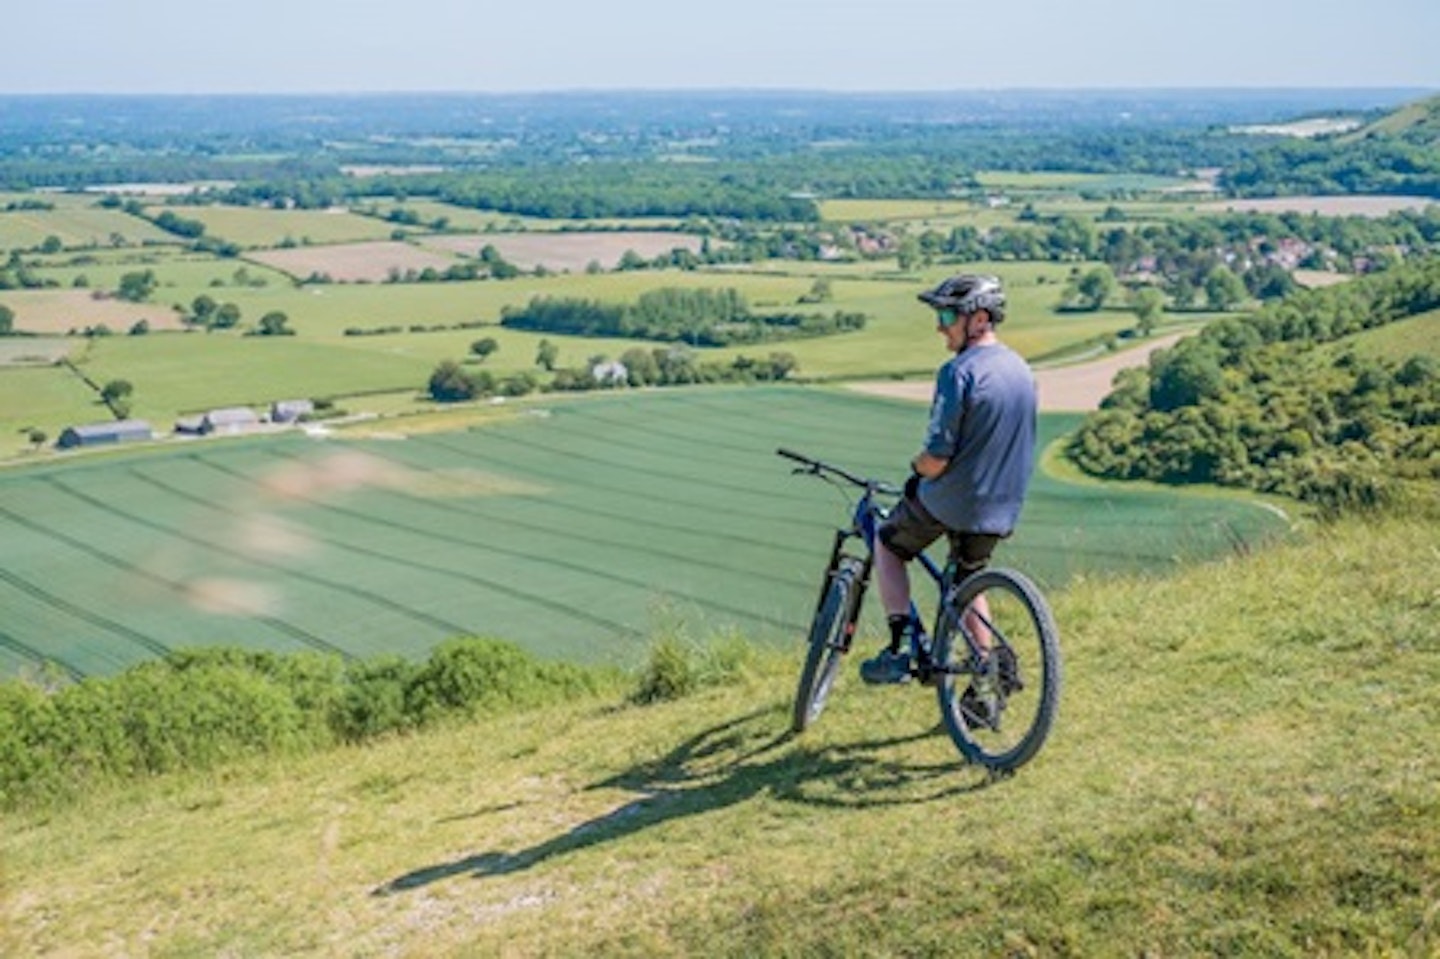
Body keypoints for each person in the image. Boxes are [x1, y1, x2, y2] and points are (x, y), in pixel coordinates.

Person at [860, 273, 1037, 685]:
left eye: (946, 314)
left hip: (954, 499)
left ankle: (899, 647)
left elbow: (937, 459)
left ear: (978, 319)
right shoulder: (1021, 370)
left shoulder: (958, 372)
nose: (939, 325)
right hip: (1003, 502)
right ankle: (986, 670)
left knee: (887, 543)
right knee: (967, 579)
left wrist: (916, 467)